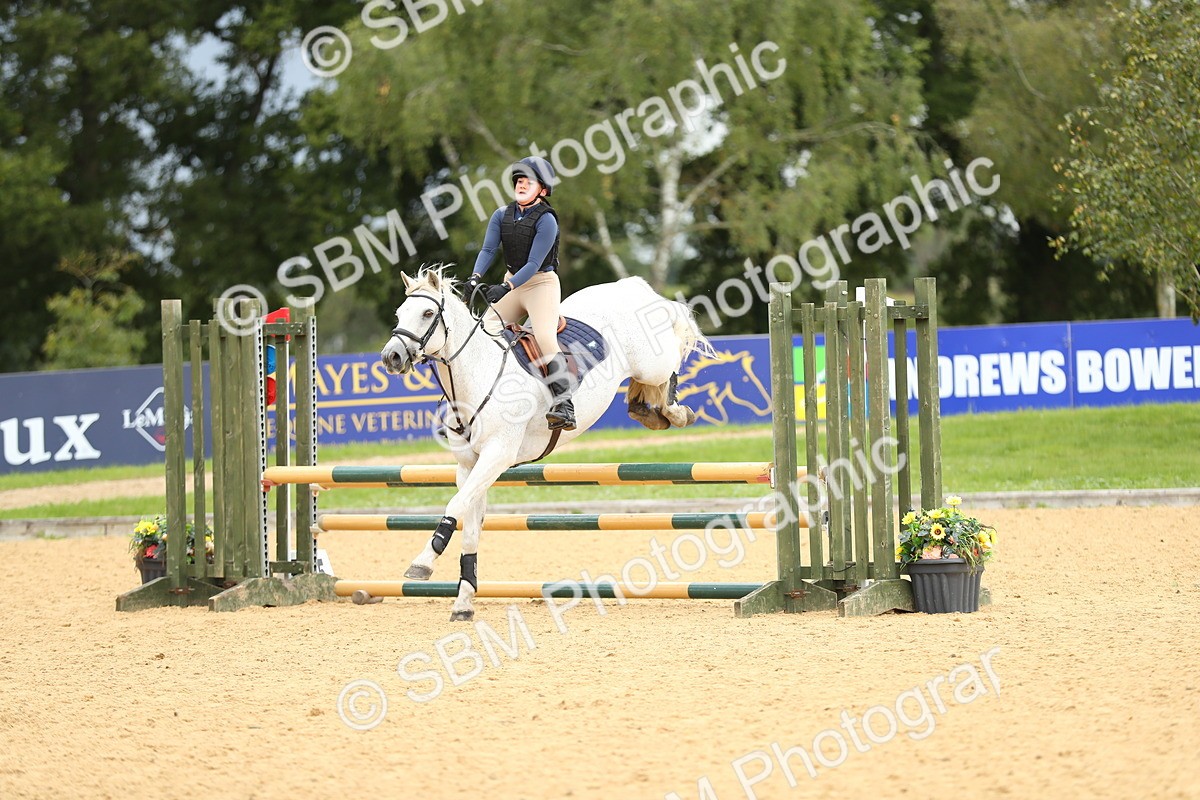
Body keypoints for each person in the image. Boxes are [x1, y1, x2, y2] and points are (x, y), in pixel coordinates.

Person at [466, 156, 576, 431]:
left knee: (545, 337)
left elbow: (533, 265)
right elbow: (489, 250)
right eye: (519, 180)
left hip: (540, 284)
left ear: (543, 189)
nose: (521, 184)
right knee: (483, 330)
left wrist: (506, 287)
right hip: (512, 281)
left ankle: (564, 404)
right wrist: (475, 277)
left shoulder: (547, 220)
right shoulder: (501, 215)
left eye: (528, 180)